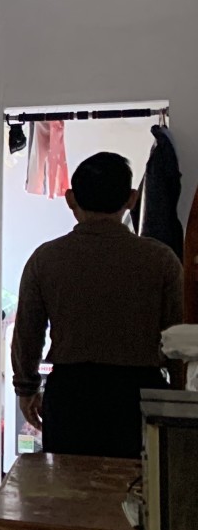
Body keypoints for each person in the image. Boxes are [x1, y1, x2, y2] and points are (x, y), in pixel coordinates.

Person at [12, 151, 183, 460]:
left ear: (70, 199)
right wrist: (179, 396)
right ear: (132, 199)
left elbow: (28, 333)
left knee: (70, 484)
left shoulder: (46, 260)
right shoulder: (161, 260)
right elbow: (177, 336)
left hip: (70, 395)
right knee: (139, 484)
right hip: (139, 395)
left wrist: (26, 388)